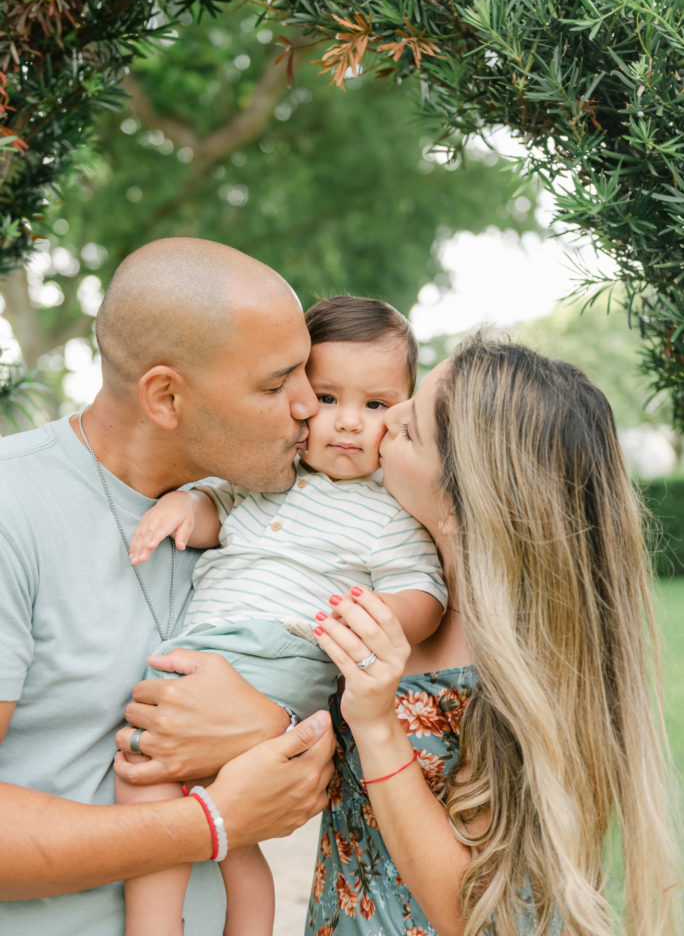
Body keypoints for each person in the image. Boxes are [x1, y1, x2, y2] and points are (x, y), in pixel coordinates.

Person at [0, 237, 336, 936]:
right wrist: (208, 825)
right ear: (166, 396)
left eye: (307, 373)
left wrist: (273, 727)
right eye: (277, 385)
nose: (310, 406)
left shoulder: (286, 513)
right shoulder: (13, 507)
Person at [308, 334, 681, 936]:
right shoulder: (407, 585)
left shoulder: (520, 679)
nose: (389, 416)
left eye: (410, 430)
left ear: (461, 506)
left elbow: (478, 913)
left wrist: (376, 728)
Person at [117, 295, 448, 936]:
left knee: (144, 774)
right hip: (208, 654)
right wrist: (183, 509)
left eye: (376, 406)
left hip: (285, 654)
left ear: (401, 409)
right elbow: (214, 511)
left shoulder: (387, 512)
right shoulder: (263, 476)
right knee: (226, 828)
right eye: (327, 399)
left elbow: (426, 597)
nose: (348, 423)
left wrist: (375, 617)